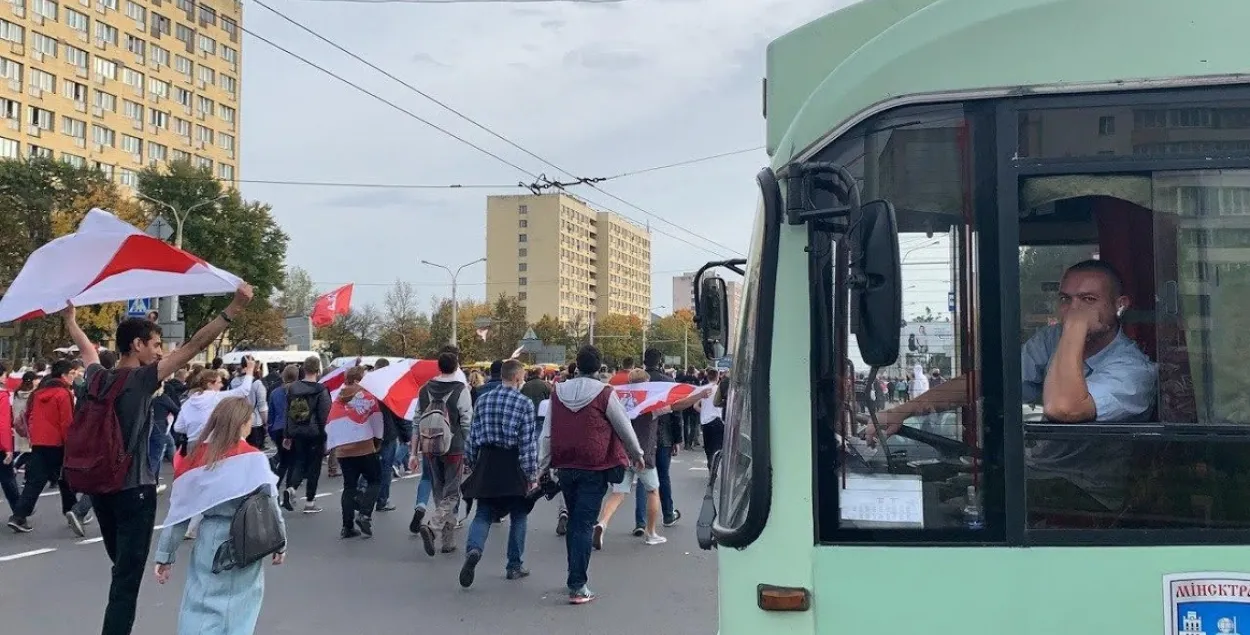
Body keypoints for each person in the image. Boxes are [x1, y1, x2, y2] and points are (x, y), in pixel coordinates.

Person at [866, 260, 1156, 516]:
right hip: (1038, 473)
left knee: (962, 504)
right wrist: (901, 411)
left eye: (1088, 299)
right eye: (1065, 299)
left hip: (1088, 493)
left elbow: (1063, 408)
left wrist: (1074, 328)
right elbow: (986, 381)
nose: (1073, 309)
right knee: (934, 484)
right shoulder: (1051, 340)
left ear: (1120, 305)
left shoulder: (1132, 371)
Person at [64, 283, 254, 635]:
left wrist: (71, 321)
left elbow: (87, 352)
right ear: (137, 345)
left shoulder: (96, 378)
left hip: (100, 488)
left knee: (121, 569)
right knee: (125, 583)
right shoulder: (140, 380)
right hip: (134, 490)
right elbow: (195, 345)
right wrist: (234, 308)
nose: (159, 351)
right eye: (154, 345)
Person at [153, 397, 286, 635]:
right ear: (244, 423)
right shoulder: (254, 458)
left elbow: (179, 513)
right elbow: (271, 504)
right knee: (242, 605)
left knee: (200, 600)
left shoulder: (196, 458)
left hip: (210, 535)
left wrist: (165, 555)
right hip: (249, 534)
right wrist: (280, 543)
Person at [540, 345, 645, 605]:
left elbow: (547, 431)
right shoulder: (604, 393)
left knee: (575, 520)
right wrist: (637, 453)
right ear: (599, 368)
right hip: (594, 466)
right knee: (583, 524)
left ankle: (573, 577)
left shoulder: (557, 392)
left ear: (577, 365)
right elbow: (623, 426)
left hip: (565, 464)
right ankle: (577, 585)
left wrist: (542, 465)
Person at [458, 359, 538, 586]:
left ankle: (474, 550)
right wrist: (531, 476)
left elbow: (473, 436)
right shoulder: (524, 403)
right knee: (519, 514)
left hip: (488, 461)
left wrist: (472, 463)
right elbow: (527, 443)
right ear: (517, 377)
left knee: (483, 511)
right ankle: (514, 565)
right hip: (512, 462)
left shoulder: (483, 400)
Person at [7, 359, 93, 535]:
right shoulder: (64, 394)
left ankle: (18, 516)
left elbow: (29, 415)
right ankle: (74, 512)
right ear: (63, 375)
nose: (74, 376)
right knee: (65, 477)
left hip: (38, 442)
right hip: (57, 443)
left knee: (35, 482)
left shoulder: (38, 393)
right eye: (71, 373)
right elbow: (66, 422)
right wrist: (71, 444)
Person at [411, 351, 473, 554]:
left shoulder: (424, 390)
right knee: (453, 493)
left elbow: (417, 421)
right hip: (453, 446)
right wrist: (468, 445)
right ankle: (434, 526)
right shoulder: (460, 390)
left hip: (429, 446)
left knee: (439, 491)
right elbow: (466, 421)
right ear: (456, 367)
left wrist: (413, 452)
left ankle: (448, 540)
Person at [326, 366, 384, 538]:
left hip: (344, 450)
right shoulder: (367, 396)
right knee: (375, 480)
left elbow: (332, 422)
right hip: (364, 446)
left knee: (349, 487)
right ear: (360, 379)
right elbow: (377, 421)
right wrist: (377, 440)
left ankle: (347, 526)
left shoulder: (337, 398)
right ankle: (365, 513)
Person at [280, 356, 332, 515]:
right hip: (315, 432)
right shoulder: (321, 390)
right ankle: (310, 502)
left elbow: (287, 412)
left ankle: (291, 488)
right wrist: (327, 436)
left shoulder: (292, 388)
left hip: (297, 431)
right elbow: (325, 415)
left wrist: (287, 434)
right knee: (314, 467)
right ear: (318, 370)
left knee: (300, 462)